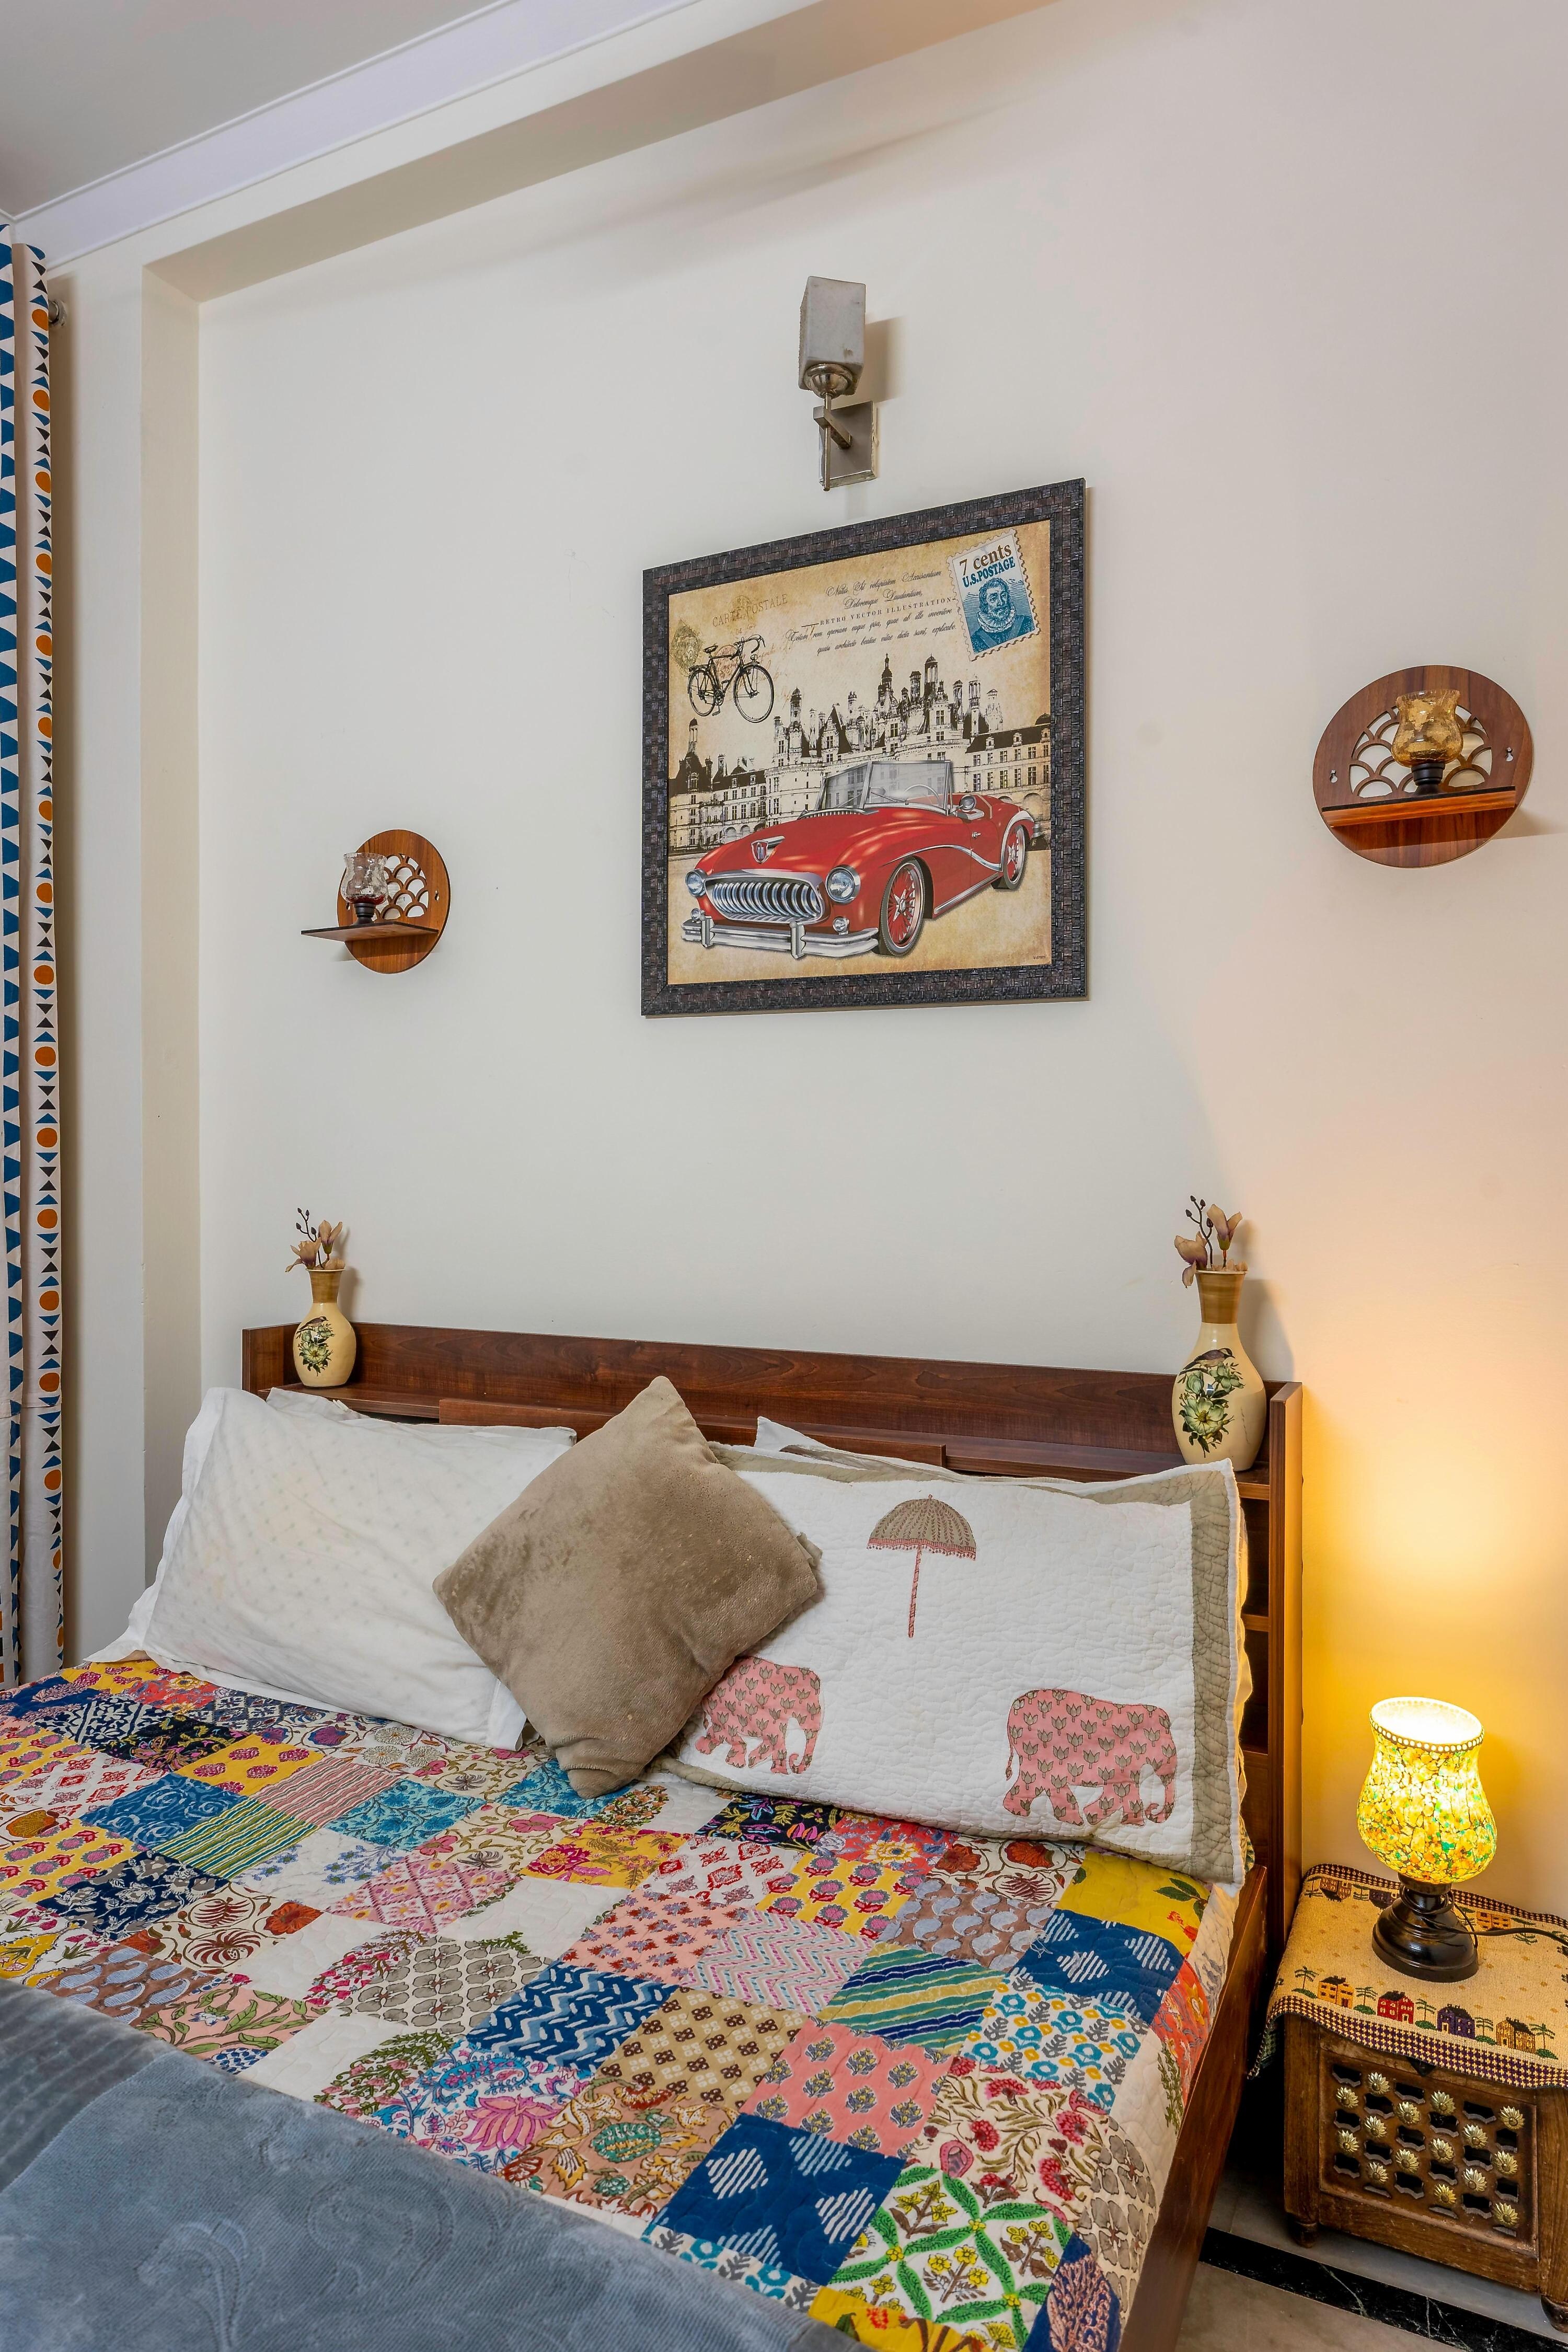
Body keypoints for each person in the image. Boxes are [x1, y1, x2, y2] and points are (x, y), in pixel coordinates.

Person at [971, 573, 1032, 650]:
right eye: (994, 599)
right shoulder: (976, 641)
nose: (1001, 603)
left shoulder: (1028, 623)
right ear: (985, 605)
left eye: (1003, 596)